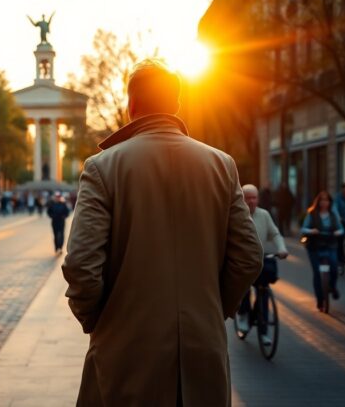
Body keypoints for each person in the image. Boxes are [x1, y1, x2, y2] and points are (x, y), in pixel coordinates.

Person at [62, 59, 263, 406]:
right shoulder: (221, 165)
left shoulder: (103, 168)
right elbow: (249, 257)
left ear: (132, 105)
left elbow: (81, 264)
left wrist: (100, 320)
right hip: (204, 350)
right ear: (176, 104)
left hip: (127, 354)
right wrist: (213, 309)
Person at [236, 185, 288, 346]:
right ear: (242, 199)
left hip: (261, 259)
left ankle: (264, 331)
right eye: (248, 197)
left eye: (254, 197)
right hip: (242, 260)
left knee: (264, 293)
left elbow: (274, 233)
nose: (251, 201)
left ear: (258, 199)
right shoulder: (236, 215)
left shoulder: (264, 215)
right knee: (242, 287)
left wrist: (281, 248)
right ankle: (243, 315)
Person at [301, 191, 344, 310]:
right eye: (322, 200)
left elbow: (341, 229)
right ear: (318, 202)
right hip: (315, 246)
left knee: (334, 267)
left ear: (330, 202)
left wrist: (337, 232)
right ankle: (320, 300)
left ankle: (332, 287)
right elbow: (303, 229)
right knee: (317, 273)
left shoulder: (333, 214)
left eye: (327, 200)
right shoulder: (312, 213)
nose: (324, 202)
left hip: (330, 244)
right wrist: (311, 231)